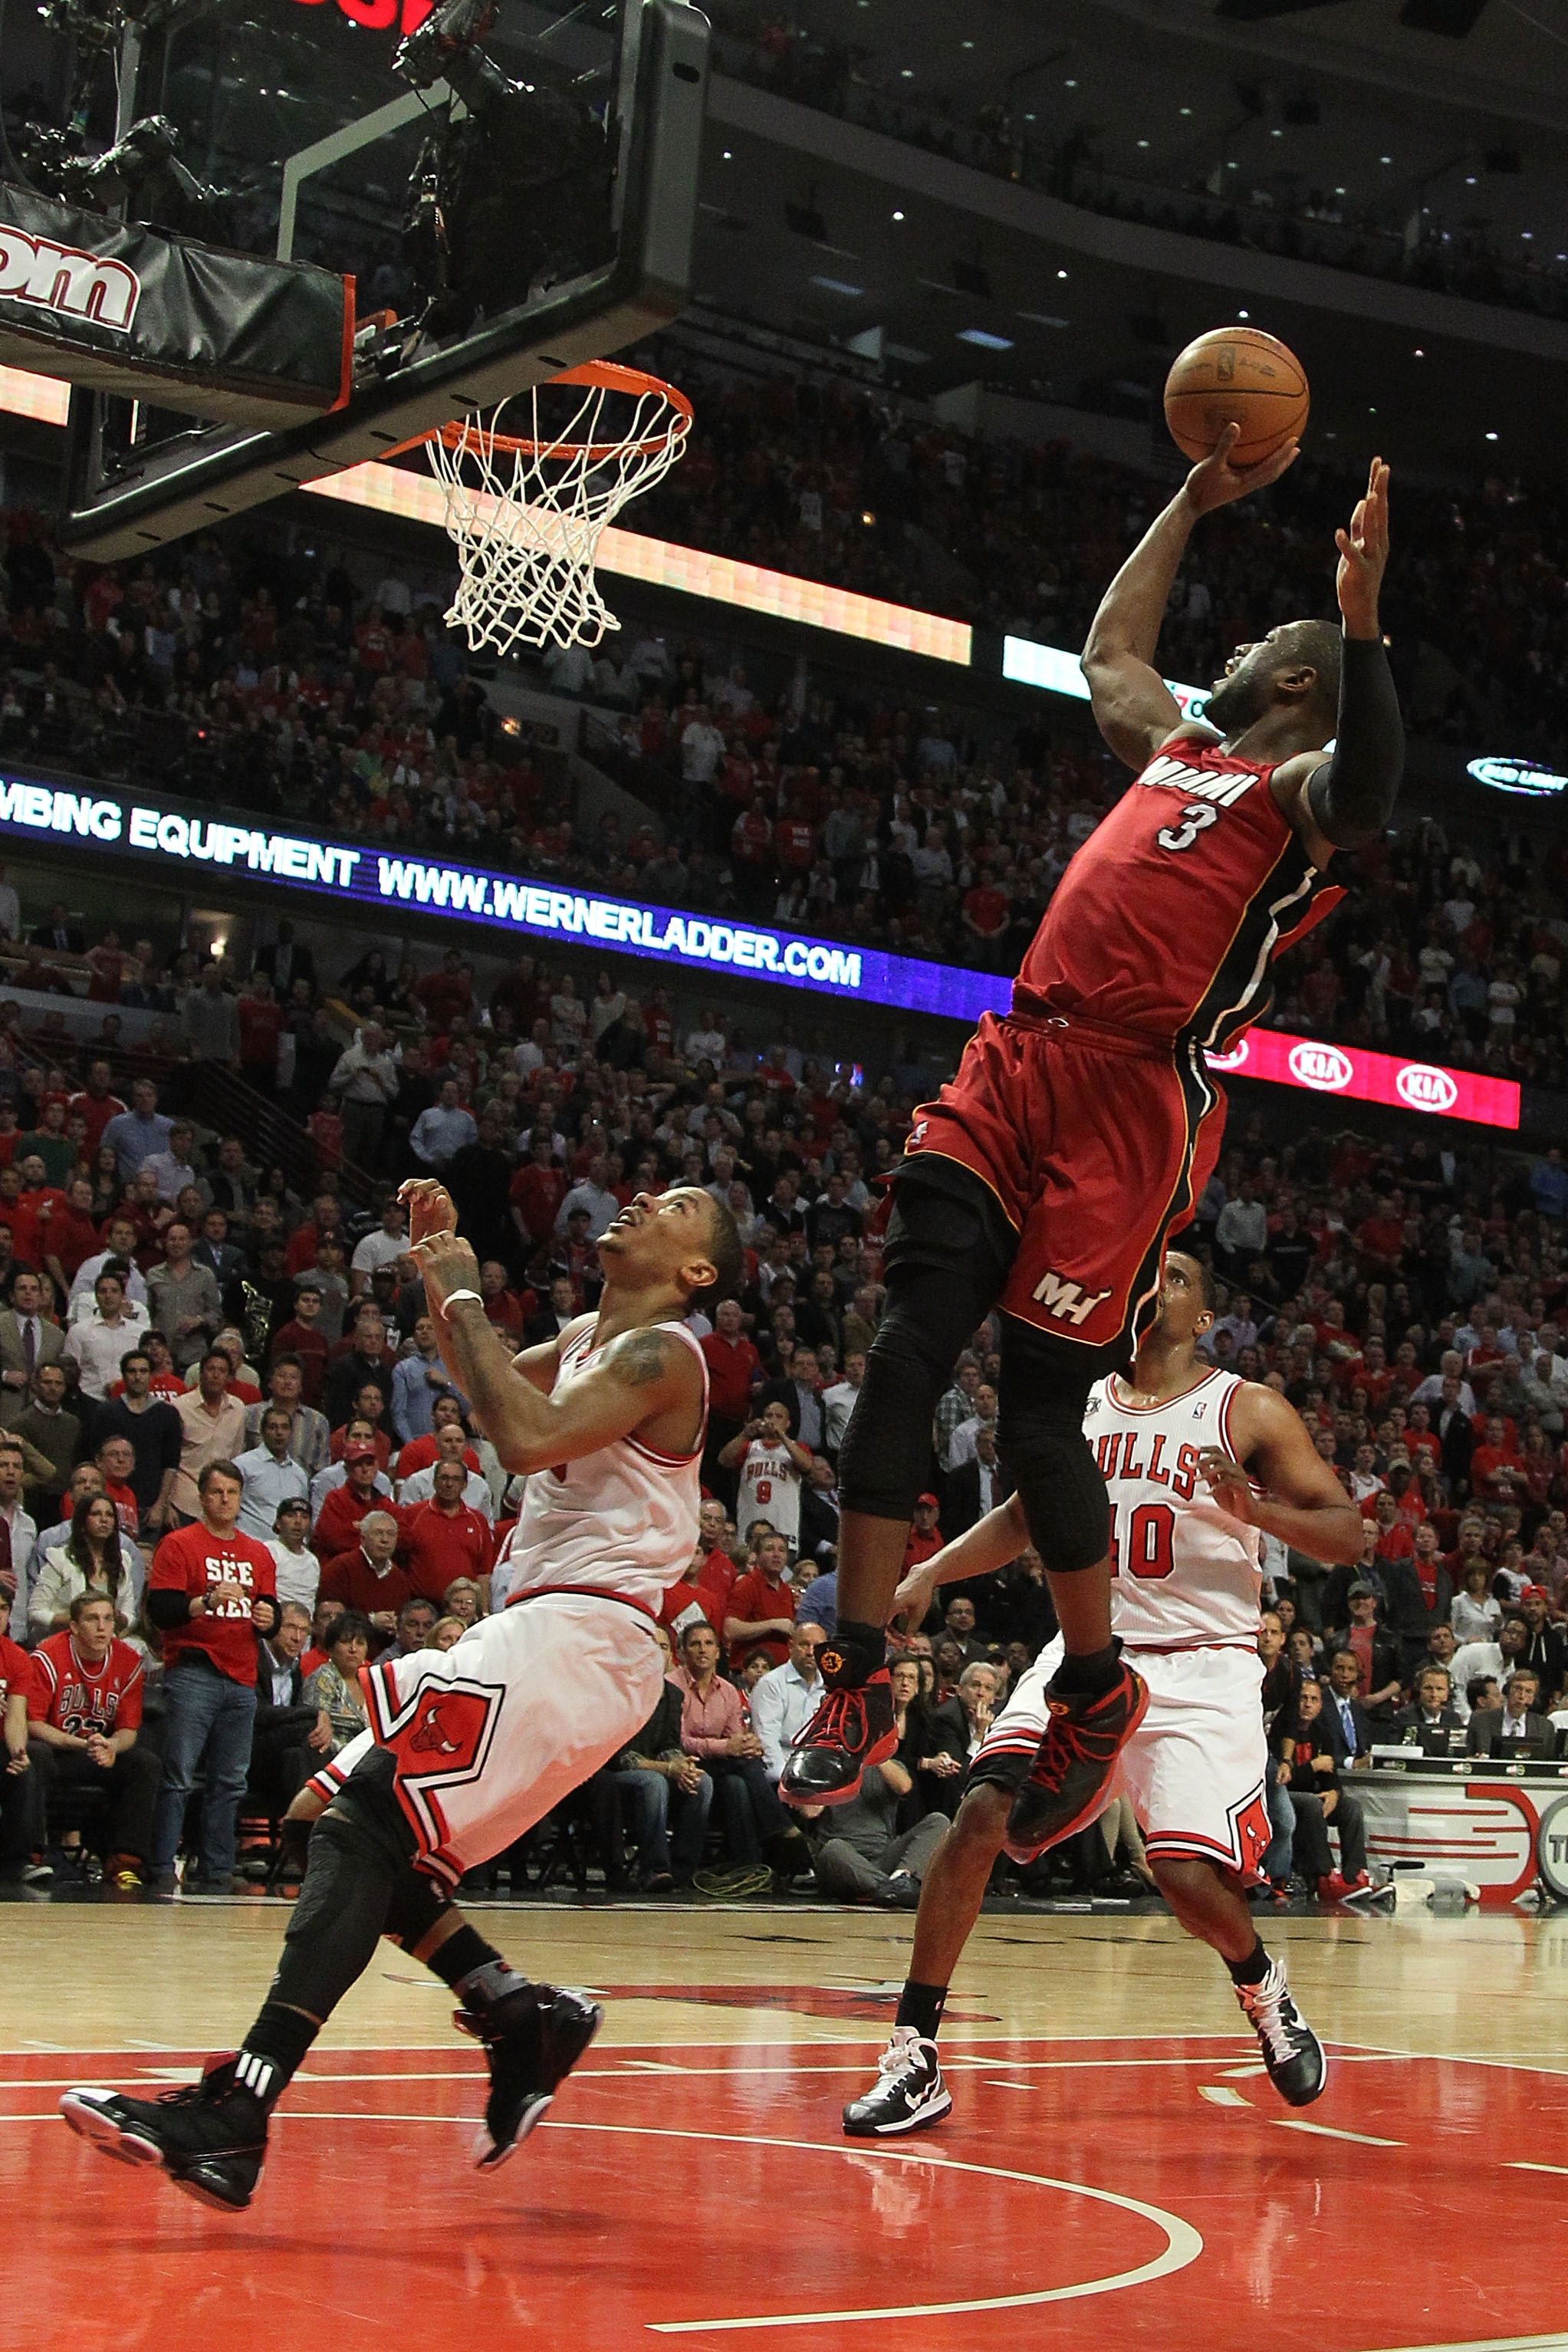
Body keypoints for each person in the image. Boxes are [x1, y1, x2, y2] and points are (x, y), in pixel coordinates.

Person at [784, 442, 1401, 1856]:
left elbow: (1368, 792)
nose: (1221, 658)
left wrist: (1361, 623)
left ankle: (1096, 1682)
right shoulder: (1181, 749)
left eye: (1251, 650)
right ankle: (858, 1670)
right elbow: (1110, 651)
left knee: (1037, 1415)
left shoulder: (1293, 795)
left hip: (1132, 1097)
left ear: (1292, 678)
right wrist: (1190, 500)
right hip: (1017, 1054)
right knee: (902, 1351)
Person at [64, 1169, 741, 2205]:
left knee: (365, 1826)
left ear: (695, 1270)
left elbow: (520, 1433)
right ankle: (513, 2011)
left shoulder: (664, 1353)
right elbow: (481, 1376)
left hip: (583, 1634)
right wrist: (436, 1268)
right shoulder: (585, 1336)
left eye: (679, 1205)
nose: (647, 1200)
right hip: (547, 1628)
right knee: (319, 1822)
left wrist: (465, 1289)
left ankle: (240, 2109)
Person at [841, 1249, 1362, 2137]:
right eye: (1150, 1268)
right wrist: (929, 1571)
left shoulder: (1246, 1408)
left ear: (1205, 1317)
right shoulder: (1078, 1400)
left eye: (1180, 1275)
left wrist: (1257, 1512)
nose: (1158, 1280)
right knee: (981, 1813)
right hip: (1091, 1652)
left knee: (1181, 1875)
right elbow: (1022, 1516)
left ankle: (1259, 1984)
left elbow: (1346, 1531)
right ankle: (914, 2051)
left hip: (1202, 1663)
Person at [143, 1460, 279, 1894]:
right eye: (217, 1492)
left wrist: (269, 1619)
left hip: (242, 1675)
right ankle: (162, 1864)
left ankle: (218, 1868)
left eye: (232, 1493)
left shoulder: (259, 1553)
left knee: (230, 1781)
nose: (225, 1500)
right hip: (194, 1670)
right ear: (202, 1497)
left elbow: (270, 1612)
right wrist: (204, 1602)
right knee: (178, 1775)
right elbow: (160, 1609)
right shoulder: (179, 1544)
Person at [27, 1591, 161, 1889]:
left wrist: (112, 1746)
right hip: (57, 1751)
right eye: (92, 1619)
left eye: (108, 1619)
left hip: (99, 1752)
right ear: (74, 1627)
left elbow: (128, 1730)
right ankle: (33, 1856)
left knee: (144, 1763)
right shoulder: (48, 1656)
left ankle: (125, 1862)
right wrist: (80, 1744)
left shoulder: (128, 1661)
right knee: (34, 1755)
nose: (102, 1627)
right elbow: (33, 1724)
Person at [598, 1619, 713, 1890]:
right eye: (650, 1646)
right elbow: (619, 1756)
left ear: (671, 1655)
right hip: (615, 1776)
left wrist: (682, 1765)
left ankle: (683, 1871)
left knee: (702, 1781)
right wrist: (668, 1770)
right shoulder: (619, 1692)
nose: (656, 1652)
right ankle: (654, 1869)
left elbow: (669, 1744)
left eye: (662, 1647)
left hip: (656, 1774)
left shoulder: (673, 1695)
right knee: (654, 1783)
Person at [27, 1492, 139, 1638]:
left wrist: (120, 1619)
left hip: (105, 1642)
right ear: (82, 1522)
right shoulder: (61, 1559)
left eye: (110, 1515)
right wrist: (79, 1621)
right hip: (64, 1641)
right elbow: (35, 1612)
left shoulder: (123, 1560)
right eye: (96, 1514)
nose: (104, 1519)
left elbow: (130, 1615)